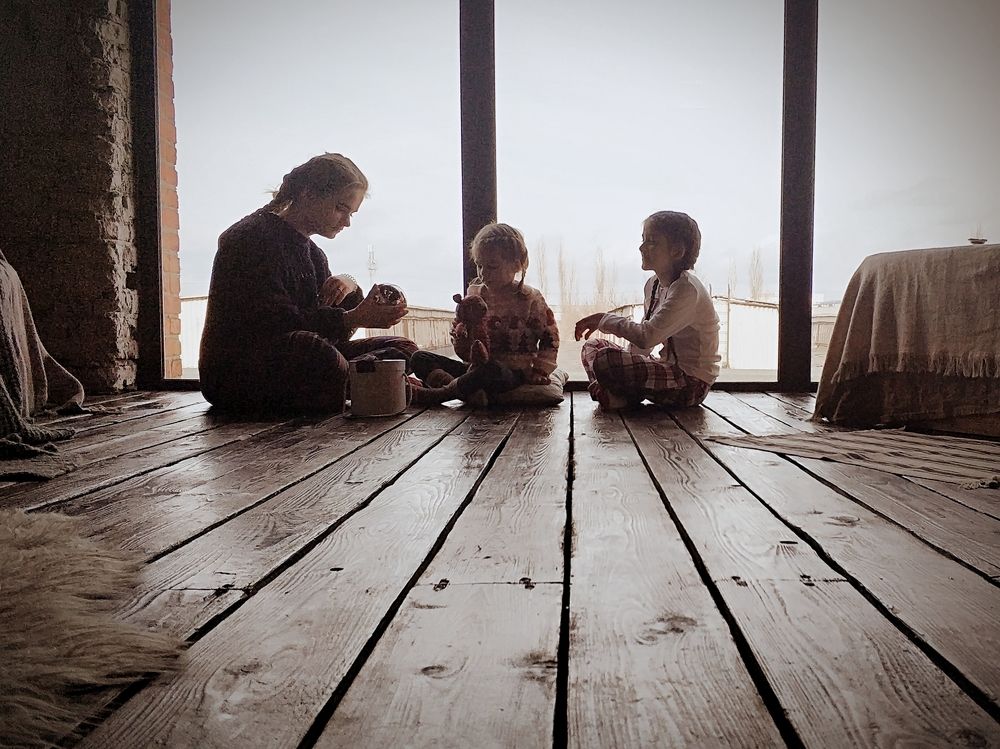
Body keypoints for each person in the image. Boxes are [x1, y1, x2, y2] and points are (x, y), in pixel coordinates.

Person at [199, 153, 415, 413]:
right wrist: (354, 318)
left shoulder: (314, 254)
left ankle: (370, 385)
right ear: (308, 195)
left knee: (403, 349)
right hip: (238, 376)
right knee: (314, 351)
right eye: (341, 208)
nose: (347, 222)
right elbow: (278, 327)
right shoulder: (249, 239)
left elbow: (331, 332)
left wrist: (350, 286)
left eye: (351, 214)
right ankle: (385, 387)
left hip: (298, 363)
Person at [574, 210, 720, 410]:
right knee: (593, 347)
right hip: (667, 369)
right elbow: (642, 346)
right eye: (643, 240)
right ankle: (619, 396)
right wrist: (627, 363)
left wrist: (603, 319)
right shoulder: (654, 284)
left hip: (690, 382)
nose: (641, 247)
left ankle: (615, 396)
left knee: (605, 359)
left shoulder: (687, 289)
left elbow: (647, 336)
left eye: (651, 241)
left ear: (677, 251)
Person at [410, 222, 559, 405]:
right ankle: (462, 390)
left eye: (492, 266)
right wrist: (460, 336)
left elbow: (550, 337)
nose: (483, 273)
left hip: (511, 372)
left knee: (492, 369)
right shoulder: (474, 294)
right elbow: (462, 330)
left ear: (516, 265)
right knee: (419, 358)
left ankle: (443, 393)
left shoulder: (530, 299)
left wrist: (540, 370)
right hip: (473, 368)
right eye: (479, 266)